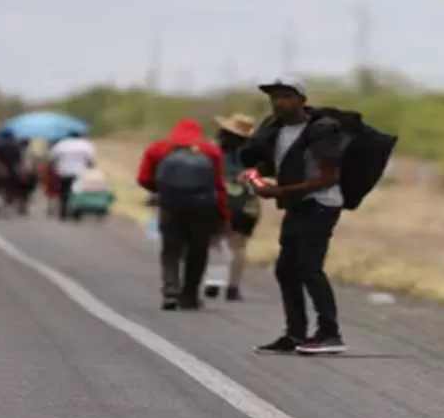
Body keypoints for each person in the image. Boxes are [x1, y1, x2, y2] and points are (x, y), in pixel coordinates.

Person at [238, 77, 349, 355]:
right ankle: (295, 333)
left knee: (309, 267)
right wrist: (256, 176)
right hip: (297, 204)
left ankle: (329, 333)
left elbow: (327, 178)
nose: (279, 102)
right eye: (274, 97)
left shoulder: (323, 130)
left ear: (302, 100)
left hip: (322, 203)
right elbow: (270, 162)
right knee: (286, 269)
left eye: (287, 95)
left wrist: (279, 192)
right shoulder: (274, 130)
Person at [137, 118, 230, 310]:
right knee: (197, 251)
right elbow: (219, 185)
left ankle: (170, 291)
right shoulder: (210, 151)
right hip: (203, 208)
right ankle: (189, 296)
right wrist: (223, 213)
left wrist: (161, 190)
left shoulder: (158, 149)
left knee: (171, 249)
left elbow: (143, 178)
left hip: (170, 206)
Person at [203, 113, 261, 302]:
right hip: (247, 203)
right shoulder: (256, 156)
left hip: (221, 199)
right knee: (239, 246)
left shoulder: (215, 151)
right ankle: (233, 288)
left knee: (216, 241)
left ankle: (214, 280)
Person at [49, 130, 97, 221]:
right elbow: (91, 160)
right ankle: (77, 213)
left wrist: (55, 166)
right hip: (80, 173)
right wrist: (90, 167)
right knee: (78, 191)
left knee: (64, 191)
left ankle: (63, 211)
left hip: (64, 172)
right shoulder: (85, 145)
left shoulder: (61, 144)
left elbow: (52, 158)